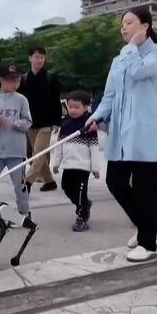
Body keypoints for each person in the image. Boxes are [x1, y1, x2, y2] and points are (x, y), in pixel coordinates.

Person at [85, 8, 157, 263]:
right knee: (116, 182)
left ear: (145, 26)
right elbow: (110, 96)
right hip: (122, 134)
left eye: (129, 22)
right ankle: (146, 225)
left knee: (145, 189)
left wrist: (131, 48)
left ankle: (148, 243)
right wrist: (97, 116)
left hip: (148, 134)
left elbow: (139, 72)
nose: (123, 28)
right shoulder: (118, 60)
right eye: (121, 24)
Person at [0, 65, 33, 215]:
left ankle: (24, 213)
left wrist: (18, 124)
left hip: (16, 152)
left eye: (17, 80)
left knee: (20, 185)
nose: (14, 83)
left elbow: (28, 122)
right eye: (11, 80)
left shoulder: (22, 100)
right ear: (2, 80)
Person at [51, 91, 101, 232]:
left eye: (76, 107)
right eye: (70, 107)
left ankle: (82, 217)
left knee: (80, 193)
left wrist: (95, 168)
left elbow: (94, 148)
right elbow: (59, 146)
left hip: (83, 167)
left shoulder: (88, 125)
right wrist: (56, 163)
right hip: (68, 165)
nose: (72, 110)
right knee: (66, 187)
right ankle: (84, 205)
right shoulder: (65, 125)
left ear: (85, 107)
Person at [18, 46, 62, 193]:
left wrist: (57, 121)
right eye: (36, 57)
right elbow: (20, 101)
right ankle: (49, 181)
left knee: (38, 153)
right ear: (30, 58)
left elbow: (56, 100)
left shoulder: (51, 77)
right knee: (35, 154)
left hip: (46, 123)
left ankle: (27, 181)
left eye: (42, 57)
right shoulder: (23, 79)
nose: (39, 60)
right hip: (30, 123)